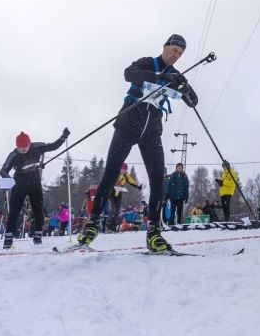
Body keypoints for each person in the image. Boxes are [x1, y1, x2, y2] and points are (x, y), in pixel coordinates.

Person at [77, 34, 198, 253]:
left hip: (151, 132)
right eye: (174, 50)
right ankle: (92, 225)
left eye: (180, 54)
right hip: (127, 125)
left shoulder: (176, 75)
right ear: (165, 46)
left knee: (158, 180)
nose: (176, 55)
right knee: (111, 173)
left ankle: (154, 233)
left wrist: (185, 88)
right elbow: (128, 74)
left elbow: (193, 102)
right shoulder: (148, 63)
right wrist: (160, 76)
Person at [0, 128, 70, 248]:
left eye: (25, 147)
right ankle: (8, 236)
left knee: (38, 209)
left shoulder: (37, 147)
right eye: (20, 148)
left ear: (29, 144)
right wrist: (9, 179)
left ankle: (38, 235)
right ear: (16, 147)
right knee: (14, 211)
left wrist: (63, 138)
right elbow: (3, 170)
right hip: (19, 182)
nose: (23, 149)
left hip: (34, 181)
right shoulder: (13, 155)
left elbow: (53, 146)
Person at [109, 163, 142, 231]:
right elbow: (110, 181)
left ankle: (114, 224)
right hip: (112, 193)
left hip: (119, 194)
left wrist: (138, 186)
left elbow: (131, 181)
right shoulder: (116, 173)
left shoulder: (125, 175)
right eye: (123, 169)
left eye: (125, 170)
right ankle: (108, 222)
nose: (124, 171)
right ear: (120, 168)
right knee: (113, 209)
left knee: (117, 210)